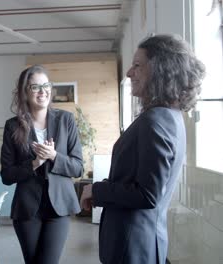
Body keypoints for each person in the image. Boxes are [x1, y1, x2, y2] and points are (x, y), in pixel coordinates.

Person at [80, 34, 205, 264]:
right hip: (141, 241)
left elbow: (147, 194)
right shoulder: (170, 116)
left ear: (161, 70)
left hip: (133, 246)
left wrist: (96, 191)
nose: (129, 73)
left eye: (137, 65)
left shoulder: (155, 120)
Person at [0, 65, 84, 263]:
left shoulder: (66, 120)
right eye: (35, 87)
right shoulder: (13, 126)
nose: (42, 91)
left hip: (59, 207)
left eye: (46, 85)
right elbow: (7, 175)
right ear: (24, 92)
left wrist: (55, 156)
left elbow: (78, 167)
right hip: (27, 210)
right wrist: (34, 163)